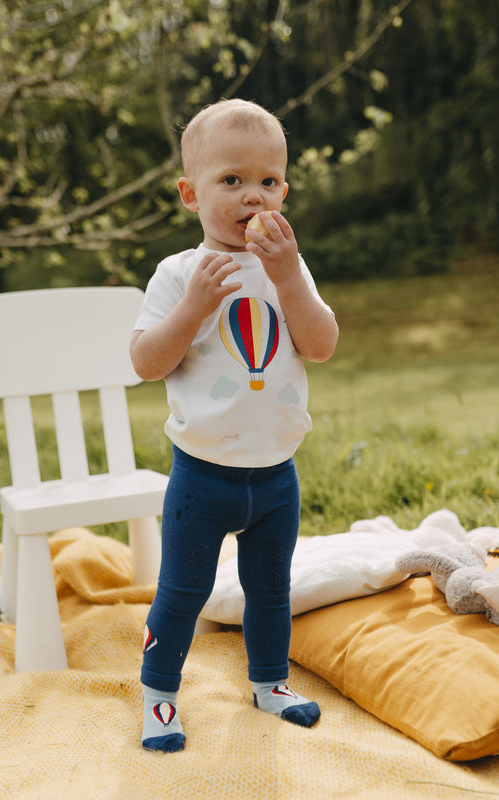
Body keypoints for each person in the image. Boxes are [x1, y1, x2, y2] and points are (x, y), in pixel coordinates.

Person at [130, 98, 339, 753]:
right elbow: (144, 361)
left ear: (284, 188)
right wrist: (193, 305)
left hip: (276, 472)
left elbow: (321, 344)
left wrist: (286, 276)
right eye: (231, 181)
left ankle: (269, 683)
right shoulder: (177, 274)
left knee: (270, 587)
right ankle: (159, 695)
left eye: (268, 180)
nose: (253, 194)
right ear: (191, 194)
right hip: (203, 473)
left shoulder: (287, 267)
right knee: (183, 590)